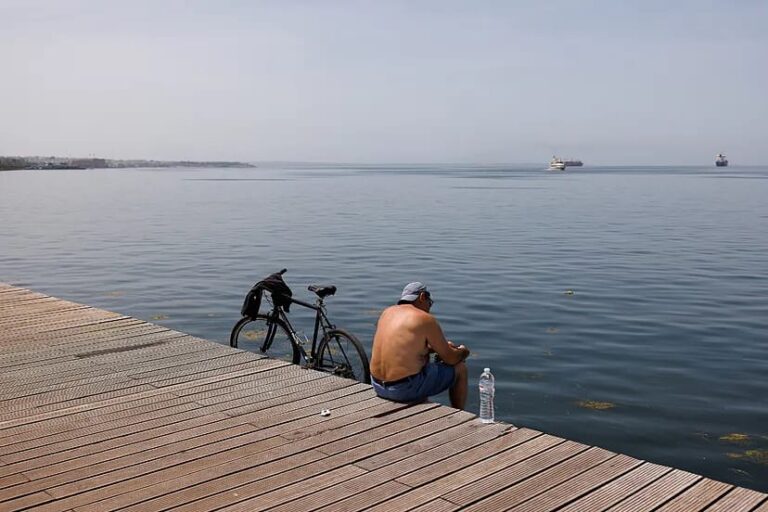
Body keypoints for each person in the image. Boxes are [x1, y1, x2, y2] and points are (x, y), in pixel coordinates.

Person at [369, 282, 470, 409]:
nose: (429, 307)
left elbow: (403, 351)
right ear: (422, 297)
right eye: (429, 303)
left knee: (422, 365)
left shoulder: (386, 313)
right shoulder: (424, 318)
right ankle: (459, 414)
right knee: (460, 369)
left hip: (378, 386)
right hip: (404, 390)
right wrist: (462, 351)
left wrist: (432, 349)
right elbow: (450, 358)